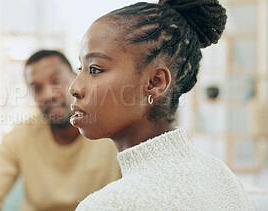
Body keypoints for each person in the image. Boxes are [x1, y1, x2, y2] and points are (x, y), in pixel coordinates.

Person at [69, 0, 255, 210]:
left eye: (94, 69)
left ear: (155, 82)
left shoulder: (110, 204)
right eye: (80, 68)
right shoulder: (224, 177)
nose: (74, 87)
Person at [0, 50, 121, 211]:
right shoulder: (19, 137)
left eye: (57, 81)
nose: (48, 95)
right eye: (37, 88)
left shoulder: (112, 132)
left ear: (76, 79)